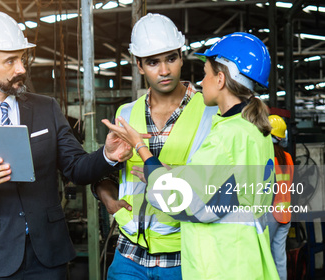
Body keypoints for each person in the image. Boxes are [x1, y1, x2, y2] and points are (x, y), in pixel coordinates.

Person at [0, 11, 132, 279]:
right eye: (10, 61)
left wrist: (107, 156)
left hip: (48, 255)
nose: (22, 69)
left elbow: (76, 167)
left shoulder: (46, 108)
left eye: (22, 58)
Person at [104, 32, 279, 279]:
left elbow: (177, 200)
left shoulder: (226, 137)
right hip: (241, 255)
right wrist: (177, 173)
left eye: (206, 73)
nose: (201, 81)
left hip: (222, 261)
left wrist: (141, 149)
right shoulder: (253, 130)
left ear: (220, 79)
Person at [94, 13, 218, 280]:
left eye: (171, 58)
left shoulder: (210, 114)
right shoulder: (125, 113)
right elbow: (113, 172)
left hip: (182, 254)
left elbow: (219, 183)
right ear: (139, 66)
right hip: (129, 254)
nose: (164, 71)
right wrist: (104, 192)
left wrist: (176, 175)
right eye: (153, 62)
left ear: (182, 57)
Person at [268, 114, 294, 280]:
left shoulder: (267, 158)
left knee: (266, 256)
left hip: (270, 214)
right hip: (286, 214)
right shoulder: (289, 158)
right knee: (279, 258)